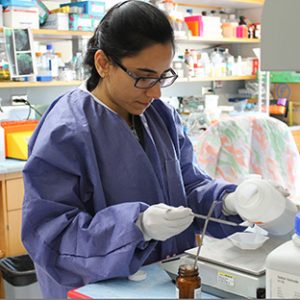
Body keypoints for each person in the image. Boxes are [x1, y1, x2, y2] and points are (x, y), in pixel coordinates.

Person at [21, 1, 289, 298]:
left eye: (162, 76)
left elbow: (189, 189)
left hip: (162, 280)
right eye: (144, 77)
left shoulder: (159, 116)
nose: (156, 91)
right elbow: (51, 236)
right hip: (95, 289)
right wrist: (136, 226)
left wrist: (231, 201)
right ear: (103, 63)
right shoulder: (66, 130)